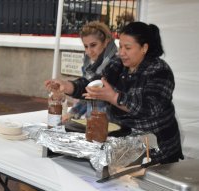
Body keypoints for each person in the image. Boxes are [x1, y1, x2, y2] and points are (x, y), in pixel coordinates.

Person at [45, 21, 184, 164]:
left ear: (144, 48)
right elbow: (94, 84)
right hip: (124, 144)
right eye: (121, 46)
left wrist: (113, 97)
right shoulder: (118, 64)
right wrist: (68, 86)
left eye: (128, 48)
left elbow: (149, 108)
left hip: (157, 150)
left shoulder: (160, 71)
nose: (121, 52)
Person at [49, 21, 118, 121]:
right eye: (86, 46)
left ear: (106, 42)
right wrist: (73, 113)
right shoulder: (89, 66)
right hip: (93, 122)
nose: (89, 51)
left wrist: (69, 87)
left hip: (110, 125)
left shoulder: (116, 64)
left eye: (93, 45)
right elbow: (87, 93)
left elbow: (90, 89)